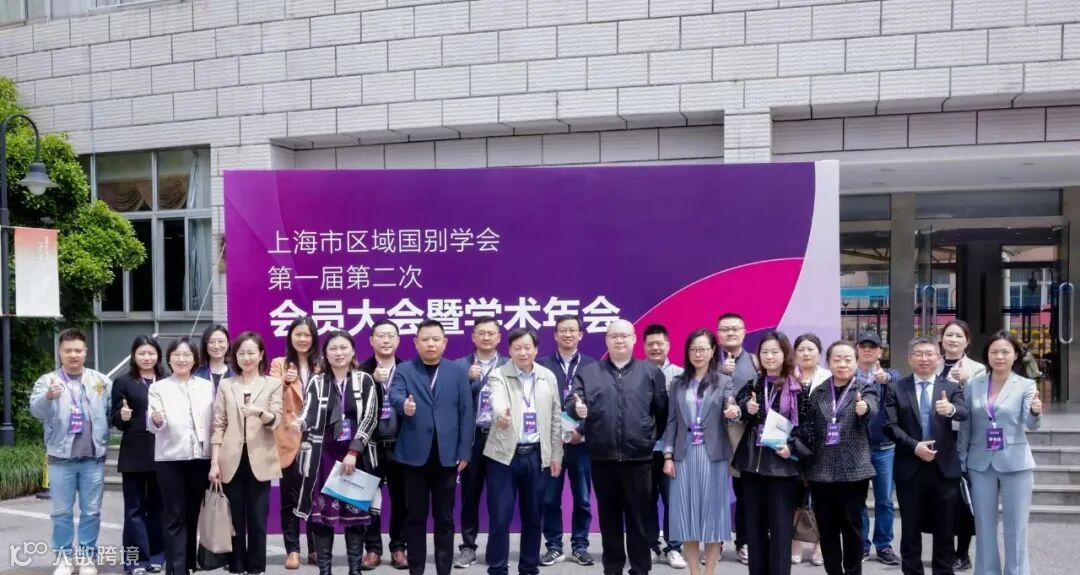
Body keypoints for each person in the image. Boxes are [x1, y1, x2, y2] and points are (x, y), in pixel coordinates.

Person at [565, 319, 668, 575]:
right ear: (606, 340)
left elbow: (661, 412)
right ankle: (612, 569)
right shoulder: (589, 373)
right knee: (609, 519)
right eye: (614, 336)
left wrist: (647, 439)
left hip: (638, 460)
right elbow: (571, 404)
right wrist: (576, 410)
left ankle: (640, 569)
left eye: (624, 335)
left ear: (633, 339)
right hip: (603, 459)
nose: (619, 340)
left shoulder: (650, 372)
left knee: (639, 519)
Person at [389, 320, 474, 575]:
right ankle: (416, 571)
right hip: (414, 456)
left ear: (444, 342)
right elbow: (395, 395)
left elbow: (466, 413)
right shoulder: (405, 369)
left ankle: (443, 571)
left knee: (444, 518)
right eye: (425, 339)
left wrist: (465, 450)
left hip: (447, 456)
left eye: (436, 339)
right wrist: (404, 406)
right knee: (415, 517)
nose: (430, 344)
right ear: (416, 343)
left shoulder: (457, 371)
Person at [293, 330, 381, 575]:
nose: (338, 353)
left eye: (344, 348)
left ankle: (355, 570)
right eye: (333, 349)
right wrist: (300, 423)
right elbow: (309, 410)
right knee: (322, 517)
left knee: (355, 517)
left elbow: (370, 418)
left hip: (356, 456)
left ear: (352, 351)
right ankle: (325, 571)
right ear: (325, 354)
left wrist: (354, 451)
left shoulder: (365, 380)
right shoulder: (317, 381)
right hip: (324, 455)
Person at [30, 328, 113, 575]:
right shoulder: (48, 380)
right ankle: (64, 559)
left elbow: (111, 412)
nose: (73, 355)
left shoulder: (100, 381)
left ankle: (87, 559)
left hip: (93, 458)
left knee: (91, 512)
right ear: (60, 351)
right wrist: (48, 397)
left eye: (78, 350)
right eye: (68, 351)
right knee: (61, 512)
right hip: (60, 458)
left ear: (85, 351)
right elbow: (36, 410)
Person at [884, 336, 969, 575]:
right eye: (918, 354)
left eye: (929, 354)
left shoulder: (951, 388)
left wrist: (951, 409)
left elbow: (964, 412)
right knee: (910, 529)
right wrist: (914, 447)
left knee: (945, 529)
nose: (924, 359)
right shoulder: (896, 388)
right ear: (909, 359)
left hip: (944, 469)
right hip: (910, 468)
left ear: (938, 358)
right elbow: (889, 426)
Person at [959, 330, 1042, 575]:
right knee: (984, 526)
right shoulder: (974, 384)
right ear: (987, 355)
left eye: (1006, 351)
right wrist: (961, 458)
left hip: (1016, 463)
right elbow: (966, 425)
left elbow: (1031, 425)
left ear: (1015, 355)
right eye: (994, 351)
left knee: (1016, 528)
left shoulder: (1026, 385)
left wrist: (1035, 411)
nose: (1000, 356)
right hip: (979, 463)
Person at [733, 331, 813, 575]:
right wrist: (745, 407)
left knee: (780, 532)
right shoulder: (754, 385)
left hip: (782, 470)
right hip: (752, 468)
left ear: (785, 354)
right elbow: (739, 412)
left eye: (774, 352)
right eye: (764, 352)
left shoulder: (798, 389)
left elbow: (808, 428)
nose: (769, 357)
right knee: (754, 531)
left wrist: (792, 448)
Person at [484, 328, 563, 575]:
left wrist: (556, 455)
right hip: (503, 457)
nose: (523, 352)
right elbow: (496, 401)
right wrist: (501, 416)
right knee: (500, 517)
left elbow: (556, 418)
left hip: (537, 455)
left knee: (533, 517)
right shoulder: (498, 375)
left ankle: (529, 568)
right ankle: (497, 569)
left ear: (536, 350)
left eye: (528, 347)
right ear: (509, 350)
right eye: (517, 348)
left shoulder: (547, 376)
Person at [662, 329, 738, 575]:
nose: (698, 354)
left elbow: (731, 405)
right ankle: (694, 571)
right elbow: (671, 422)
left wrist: (733, 411)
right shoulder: (678, 382)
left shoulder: (723, 381)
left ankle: (709, 572)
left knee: (713, 518)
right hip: (683, 456)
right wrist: (668, 456)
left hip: (713, 455)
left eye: (703, 349)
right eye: (693, 349)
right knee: (686, 517)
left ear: (713, 351)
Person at [209, 331, 284, 575]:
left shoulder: (272, 384)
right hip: (230, 459)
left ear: (261, 355)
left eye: (251, 352)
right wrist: (214, 462)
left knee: (258, 518)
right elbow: (218, 425)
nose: (246, 357)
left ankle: (256, 567)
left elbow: (276, 420)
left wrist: (258, 412)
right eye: (241, 353)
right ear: (235, 356)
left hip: (260, 458)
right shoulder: (226, 385)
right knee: (234, 517)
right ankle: (236, 564)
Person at [806, 340, 877, 575]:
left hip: (854, 471)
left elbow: (872, 409)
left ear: (856, 362)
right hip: (821, 471)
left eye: (848, 359)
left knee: (852, 528)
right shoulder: (818, 392)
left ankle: (853, 572)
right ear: (828, 363)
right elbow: (810, 430)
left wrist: (864, 409)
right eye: (837, 359)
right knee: (827, 529)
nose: (842, 364)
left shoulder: (865, 388)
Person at [146, 337, 215, 575]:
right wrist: (157, 420)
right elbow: (154, 425)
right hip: (170, 458)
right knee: (174, 514)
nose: (182, 359)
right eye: (176, 355)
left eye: (187, 355)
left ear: (195, 359)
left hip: (200, 457)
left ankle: (189, 563)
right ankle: (176, 568)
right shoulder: (159, 387)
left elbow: (214, 420)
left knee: (193, 512)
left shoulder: (206, 386)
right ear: (169, 359)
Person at [537, 315, 596, 567]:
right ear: (555, 335)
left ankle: (580, 545)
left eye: (573, 330)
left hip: (581, 444)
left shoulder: (593, 366)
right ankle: (553, 546)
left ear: (580, 335)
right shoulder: (542, 366)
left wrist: (581, 431)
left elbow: (598, 405)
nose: (568, 334)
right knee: (550, 498)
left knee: (582, 498)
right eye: (563, 330)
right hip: (552, 445)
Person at [454, 316, 509, 569]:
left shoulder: (509, 365)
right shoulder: (459, 366)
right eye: (481, 333)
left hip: (500, 437)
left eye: (491, 333)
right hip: (472, 438)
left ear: (499, 338)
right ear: (473, 337)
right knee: (470, 496)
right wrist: (467, 380)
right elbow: (451, 402)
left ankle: (497, 549)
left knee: (500, 497)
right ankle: (468, 547)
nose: (486, 337)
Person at [268, 316, 320, 570]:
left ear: (314, 338)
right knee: (290, 497)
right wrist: (285, 381)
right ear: (290, 337)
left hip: (317, 438)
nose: (302, 339)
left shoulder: (321, 365)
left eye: (307, 335)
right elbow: (268, 394)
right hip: (289, 438)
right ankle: (293, 550)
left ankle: (315, 548)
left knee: (314, 495)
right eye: (298, 334)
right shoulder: (279, 364)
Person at [111, 335, 166, 574]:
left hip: (163, 452)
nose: (147, 357)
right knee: (133, 510)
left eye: (151, 353)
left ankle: (157, 555)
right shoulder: (123, 382)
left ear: (158, 355)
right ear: (134, 355)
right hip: (134, 453)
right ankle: (135, 561)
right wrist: (121, 417)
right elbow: (115, 419)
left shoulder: (166, 380)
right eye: (142, 353)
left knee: (159, 507)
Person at [357, 319, 408, 570]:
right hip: (371, 445)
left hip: (401, 444)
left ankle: (398, 547)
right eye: (381, 336)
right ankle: (373, 549)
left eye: (390, 336)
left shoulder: (408, 369)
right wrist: (372, 381)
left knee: (402, 500)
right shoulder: (360, 371)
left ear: (398, 340)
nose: (386, 340)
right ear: (371, 341)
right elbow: (352, 408)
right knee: (368, 499)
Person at [937, 319, 986, 572]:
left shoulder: (977, 370)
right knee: (939, 498)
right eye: (949, 335)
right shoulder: (931, 363)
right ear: (941, 339)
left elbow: (981, 406)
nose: (953, 339)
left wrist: (966, 383)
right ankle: (943, 551)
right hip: (935, 437)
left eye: (959, 336)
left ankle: (962, 553)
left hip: (963, 439)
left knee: (962, 498)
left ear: (967, 341)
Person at [854, 332, 901, 566]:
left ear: (880, 352)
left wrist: (886, 379)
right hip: (857, 447)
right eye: (863, 346)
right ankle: (861, 544)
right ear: (856, 349)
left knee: (884, 500)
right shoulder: (848, 375)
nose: (867, 350)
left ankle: (883, 545)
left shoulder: (891, 375)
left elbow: (898, 385)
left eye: (872, 347)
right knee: (858, 500)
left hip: (884, 448)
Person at [642, 324, 686, 569]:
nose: (656, 348)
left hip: (673, 451)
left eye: (660, 343)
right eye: (651, 344)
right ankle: (650, 545)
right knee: (646, 500)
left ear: (668, 345)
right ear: (643, 347)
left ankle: (674, 547)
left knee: (674, 501)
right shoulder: (636, 373)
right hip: (644, 451)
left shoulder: (681, 375)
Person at [717, 312, 759, 565]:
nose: (730, 332)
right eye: (725, 329)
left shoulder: (755, 361)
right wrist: (720, 373)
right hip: (712, 434)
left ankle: (744, 542)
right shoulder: (708, 359)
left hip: (742, 434)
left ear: (744, 332)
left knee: (744, 493)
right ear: (718, 333)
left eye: (735, 328)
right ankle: (715, 542)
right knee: (713, 492)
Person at [791, 333, 829, 566]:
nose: (806, 353)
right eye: (801, 349)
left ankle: (820, 546)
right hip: (793, 448)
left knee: (822, 499)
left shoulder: (829, 377)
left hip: (822, 447)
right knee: (795, 497)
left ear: (819, 353)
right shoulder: (788, 377)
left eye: (811, 349)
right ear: (794, 354)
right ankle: (795, 542)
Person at [196, 324, 234, 395]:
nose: (216, 346)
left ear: (228, 344)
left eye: (221, 341)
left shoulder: (236, 374)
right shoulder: (196, 374)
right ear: (205, 345)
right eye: (211, 342)